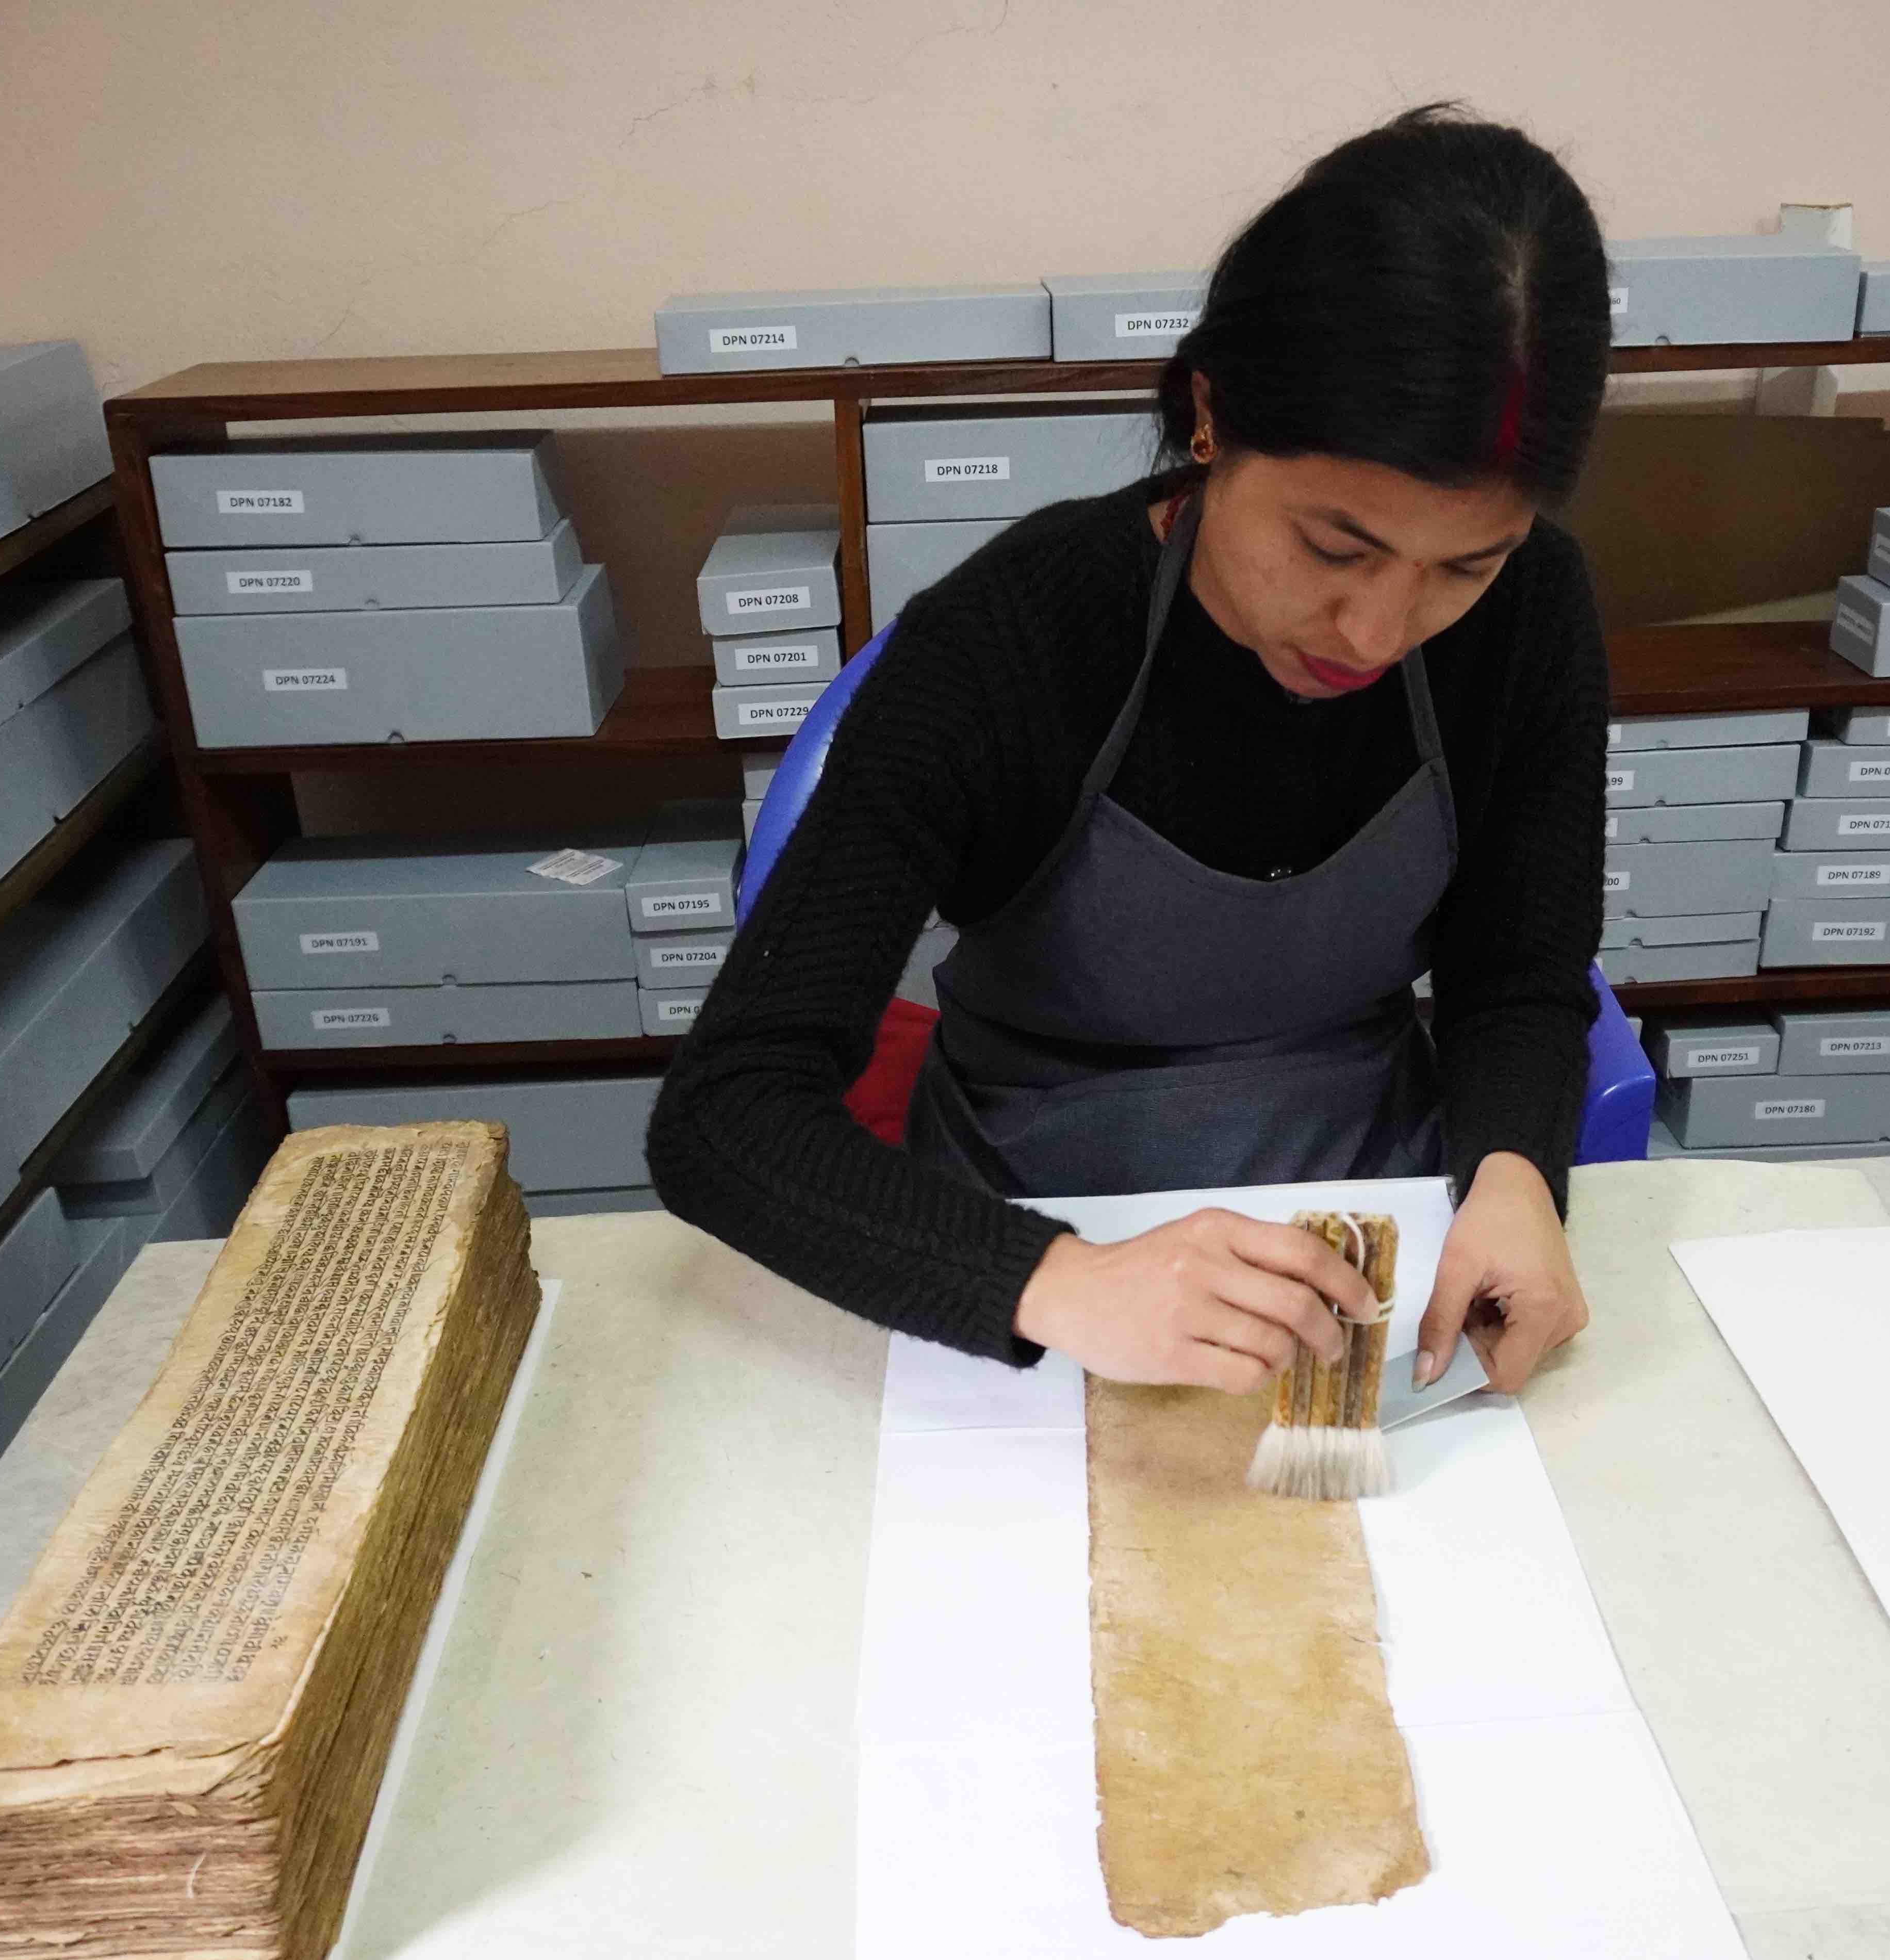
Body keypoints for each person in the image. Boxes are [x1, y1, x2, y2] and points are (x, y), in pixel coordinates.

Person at [651, 105, 1609, 1401]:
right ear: (1211, 413)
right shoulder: (1009, 642)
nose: (1380, 631)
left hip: (1371, 1230)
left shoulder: (1535, 613)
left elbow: (1518, 975)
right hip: (1034, 1239)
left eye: (1465, 567)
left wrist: (1511, 1175)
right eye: (1335, 547)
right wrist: (1062, 1284)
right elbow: (726, 1111)